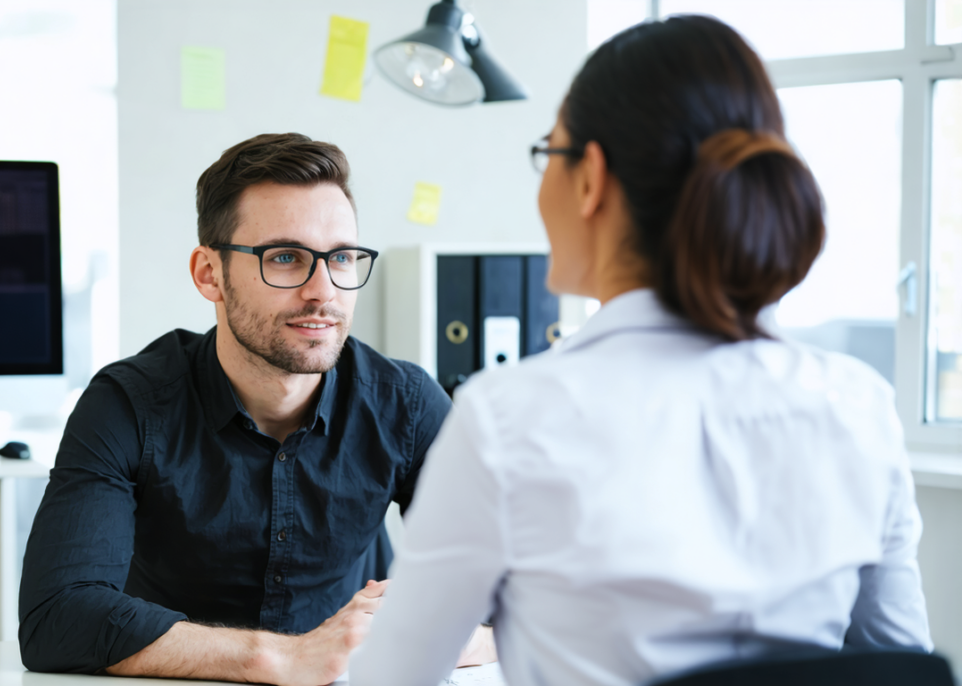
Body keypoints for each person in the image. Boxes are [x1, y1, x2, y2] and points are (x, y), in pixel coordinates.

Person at [349, 15, 932, 686]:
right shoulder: (858, 407)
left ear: (591, 178)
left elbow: (394, 678)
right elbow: (903, 664)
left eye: (549, 152)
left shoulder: (510, 417)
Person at [18, 132, 493, 685]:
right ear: (209, 274)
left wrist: (425, 629)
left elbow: (517, 592)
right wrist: (280, 658)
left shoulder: (405, 404)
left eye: (341, 257)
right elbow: (56, 618)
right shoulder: (128, 404)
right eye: (286, 258)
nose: (324, 290)